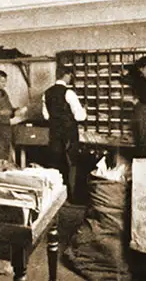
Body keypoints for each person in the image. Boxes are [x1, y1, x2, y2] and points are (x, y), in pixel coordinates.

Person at [42, 66, 87, 199]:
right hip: (69, 134)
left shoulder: (46, 93)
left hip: (54, 133)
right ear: (66, 75)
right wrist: (84, 110)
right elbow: (79, 117)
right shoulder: (69, 93)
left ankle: (56, 196)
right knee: (71, 164)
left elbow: (46, 116)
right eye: (70, 75)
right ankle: (71, 196)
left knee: (55, 163)